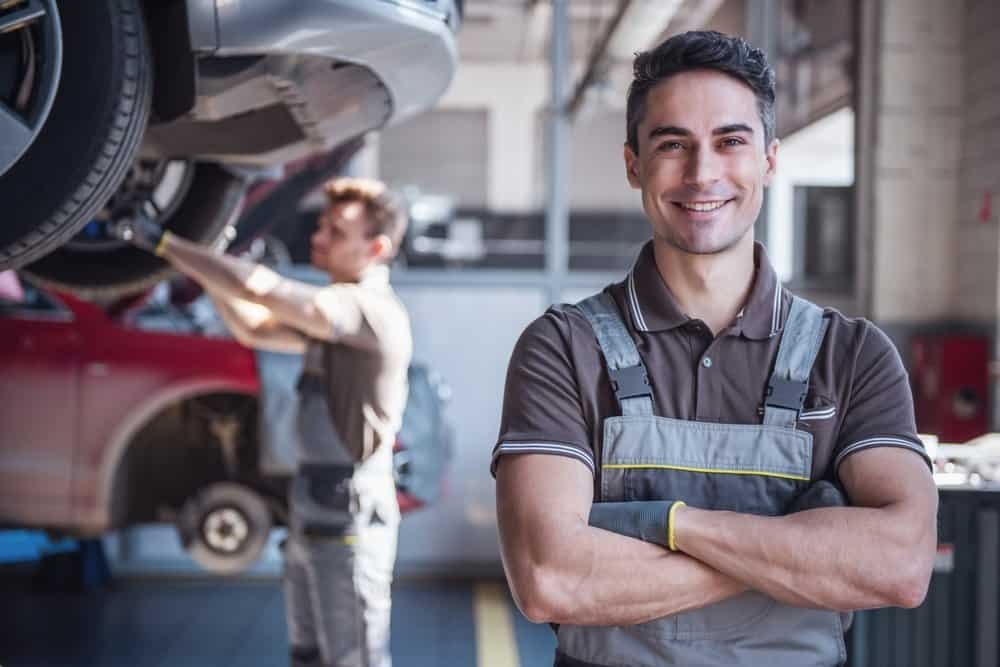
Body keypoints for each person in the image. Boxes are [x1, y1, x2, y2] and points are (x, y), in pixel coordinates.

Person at [492, 30, 938, 667]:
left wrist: (667, 524)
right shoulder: (564, 348)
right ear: (632, 164)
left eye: (731, 142)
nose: (702, 173)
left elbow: (901, 565)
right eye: (672, 144)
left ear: (769, 160)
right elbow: (551, 579)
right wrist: (803, 550)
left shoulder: (852, 355)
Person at [115, 177, 411, 667]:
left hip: (350, 514)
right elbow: (253, 325)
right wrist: (209, 266)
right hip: (313, 508)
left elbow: (259, 287)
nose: (318, 237)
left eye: (336, 231)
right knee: (309, 656)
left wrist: (165, 243)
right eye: (321, 225)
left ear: (376, 247)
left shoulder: (367, 311)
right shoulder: (335, 315)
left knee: (354, 660)